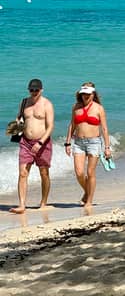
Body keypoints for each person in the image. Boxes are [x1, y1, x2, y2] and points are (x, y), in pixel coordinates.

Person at [10, 78, 55, 214]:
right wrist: (16, 126)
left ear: (41, 90)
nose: (34, 92)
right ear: (28, 90)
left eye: (36, 90)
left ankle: (43, 202)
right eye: (31, 90)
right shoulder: (24, 102)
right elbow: (19, 118)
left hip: (43, 143)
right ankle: (22, 205)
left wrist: (41, 142)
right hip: (25, 142)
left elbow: (50, 126)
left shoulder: (47, 104)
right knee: (23, 173)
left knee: (44, 173)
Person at [64, 82, 111, 209]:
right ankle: (87, 191)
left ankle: (89, 200)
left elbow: (105, 129)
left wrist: (107, 147)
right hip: (78, 142)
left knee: (90, 172)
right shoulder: (76, 107)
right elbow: (72, 125)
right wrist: (67, 143)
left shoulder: (99, 108)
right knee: (79, 172)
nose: (85, 96)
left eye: (88, 94)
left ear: (93, 94)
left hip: (94, 143)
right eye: (83, 94)